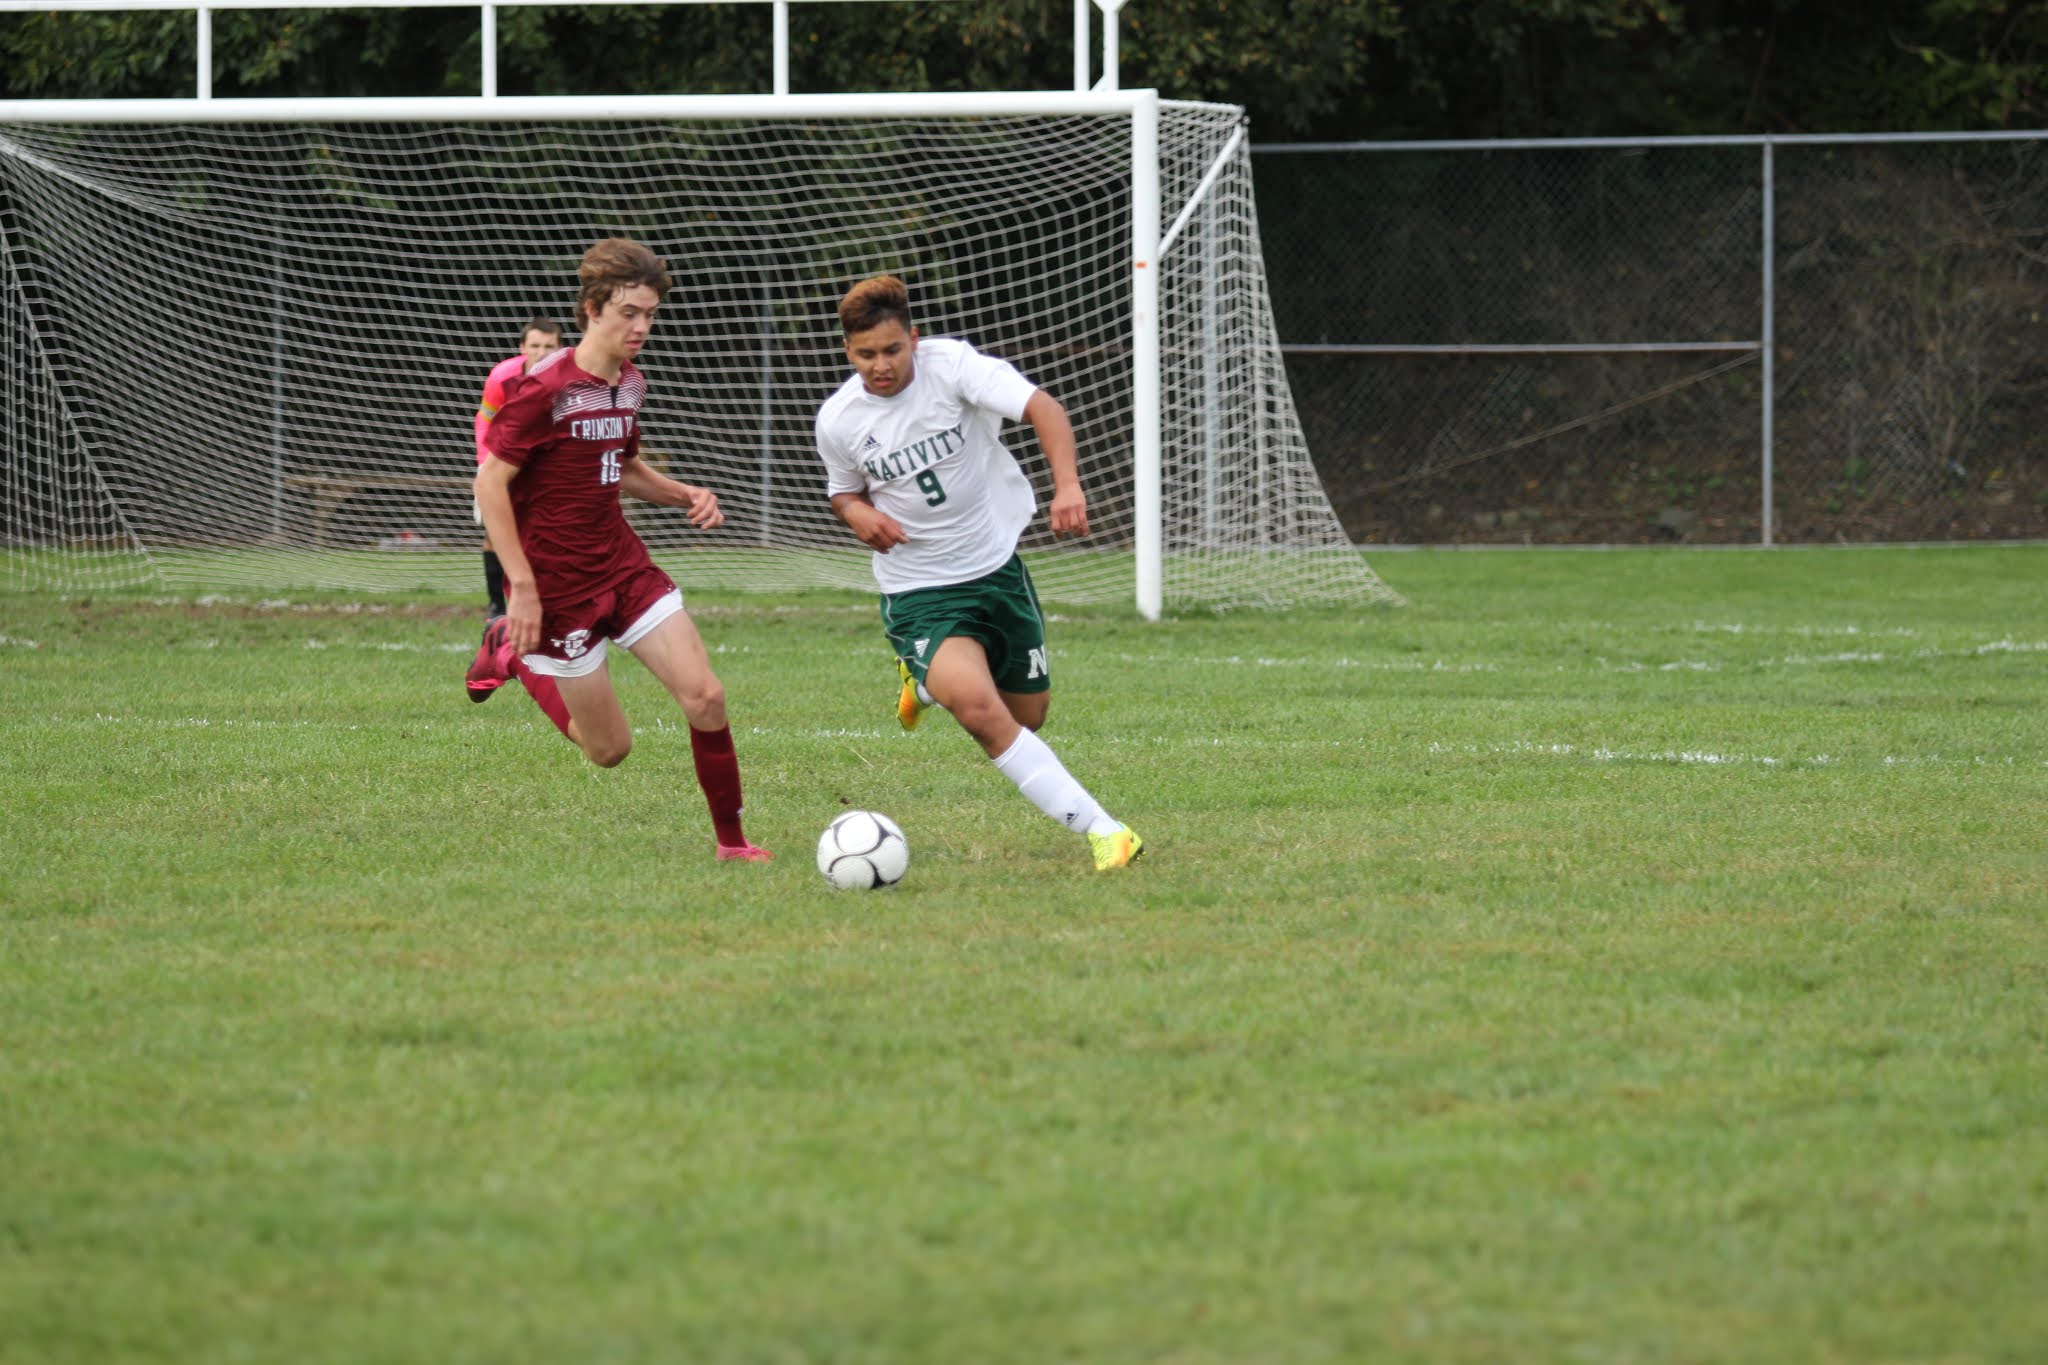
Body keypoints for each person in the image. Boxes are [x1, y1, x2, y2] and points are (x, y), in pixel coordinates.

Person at [813, 274, 1143, 872]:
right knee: (984, 716)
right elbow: (843, 493)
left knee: (1028, 718)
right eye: (866, 355)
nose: (881, 365)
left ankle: (926, 683)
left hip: (996, 571)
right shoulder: (838, 419)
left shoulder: (953, 367)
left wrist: (1067, 485)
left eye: (892, 350)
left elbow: (1044, 408)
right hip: (918, 591)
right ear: (848, 352)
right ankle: (1107, 830)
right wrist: (857, 512)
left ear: (913, 338)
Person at [466, 238, 772, 863]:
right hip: (557, 586)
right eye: (629, 312)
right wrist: (521, 587)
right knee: (607, 750)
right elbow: (490, 482)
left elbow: (623, 465)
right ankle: (512, 650)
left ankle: (732, 844)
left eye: (650, 314)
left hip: (623, 566)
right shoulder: (542, 389)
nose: (641, 326)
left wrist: (685, 492)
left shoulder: (629, 384)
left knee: (706, 696)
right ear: (592, 310)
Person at [473, 316, 565, 620]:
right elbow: (485, 418)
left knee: (550, 533)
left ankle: (552, 601)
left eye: (549, 346)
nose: (542, 352)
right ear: (522, 347)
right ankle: (497, 607)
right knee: (495, 532)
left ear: (560, 348)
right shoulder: (502, 377)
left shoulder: (570, 380)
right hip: (503, 461)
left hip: (546, 465)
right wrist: (486, 462)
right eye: (535, 345)